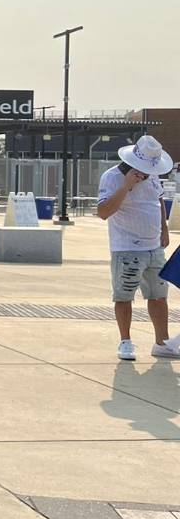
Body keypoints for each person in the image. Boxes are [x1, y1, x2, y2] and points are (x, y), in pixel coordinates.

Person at [97, 134, 177, 360]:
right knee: (124, 296)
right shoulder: (112, 177)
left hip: (154, 248)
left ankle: (162, 342)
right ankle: (126, 341)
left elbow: (158, 200)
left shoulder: (152, 177)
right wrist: (126, 186)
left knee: (159, 296)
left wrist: (163, 228)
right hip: (127, 247)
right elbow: (103, 212)